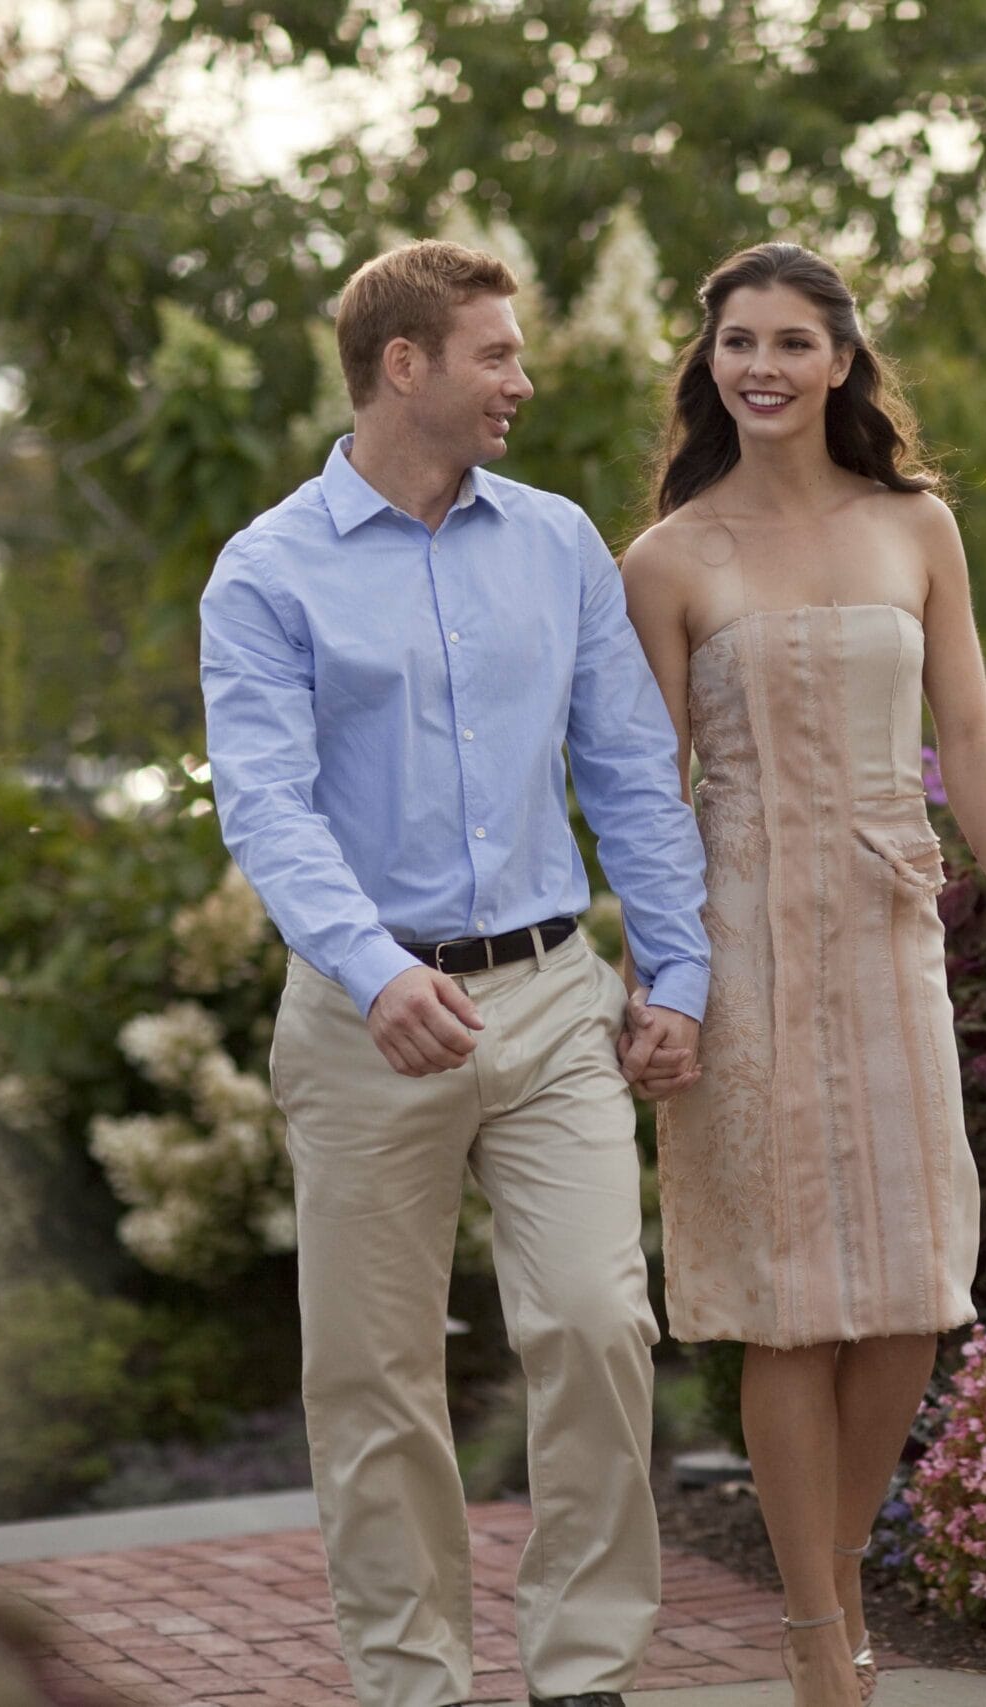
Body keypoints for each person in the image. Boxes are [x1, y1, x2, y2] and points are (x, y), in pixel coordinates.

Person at [199, 238, 710, 1707]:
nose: (523, 383)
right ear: (403, 364)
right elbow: (267, 807)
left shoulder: (554, 545)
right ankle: (415, 1682)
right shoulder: (269, 572)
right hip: (370, 1017)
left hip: (551, 995)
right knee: (371, 1377)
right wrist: (370, 970)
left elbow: (627, 770)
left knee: (600, 1321)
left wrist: (675, 973)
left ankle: (584, 1670)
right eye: (497, 355)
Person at [619, 241, 986, 1707]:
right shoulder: (668, 561)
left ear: (842, 363)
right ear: (710, 366)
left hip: (889, 933)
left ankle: (836, 1571)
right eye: (739, 341)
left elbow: (974, 735)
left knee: (907, 1292)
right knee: (787, 1297)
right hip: (739, 943)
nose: (763, 365)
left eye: (794, 341)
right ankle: (820, 1642)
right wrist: (660, 981)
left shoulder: (917, 527)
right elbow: (648, 792)